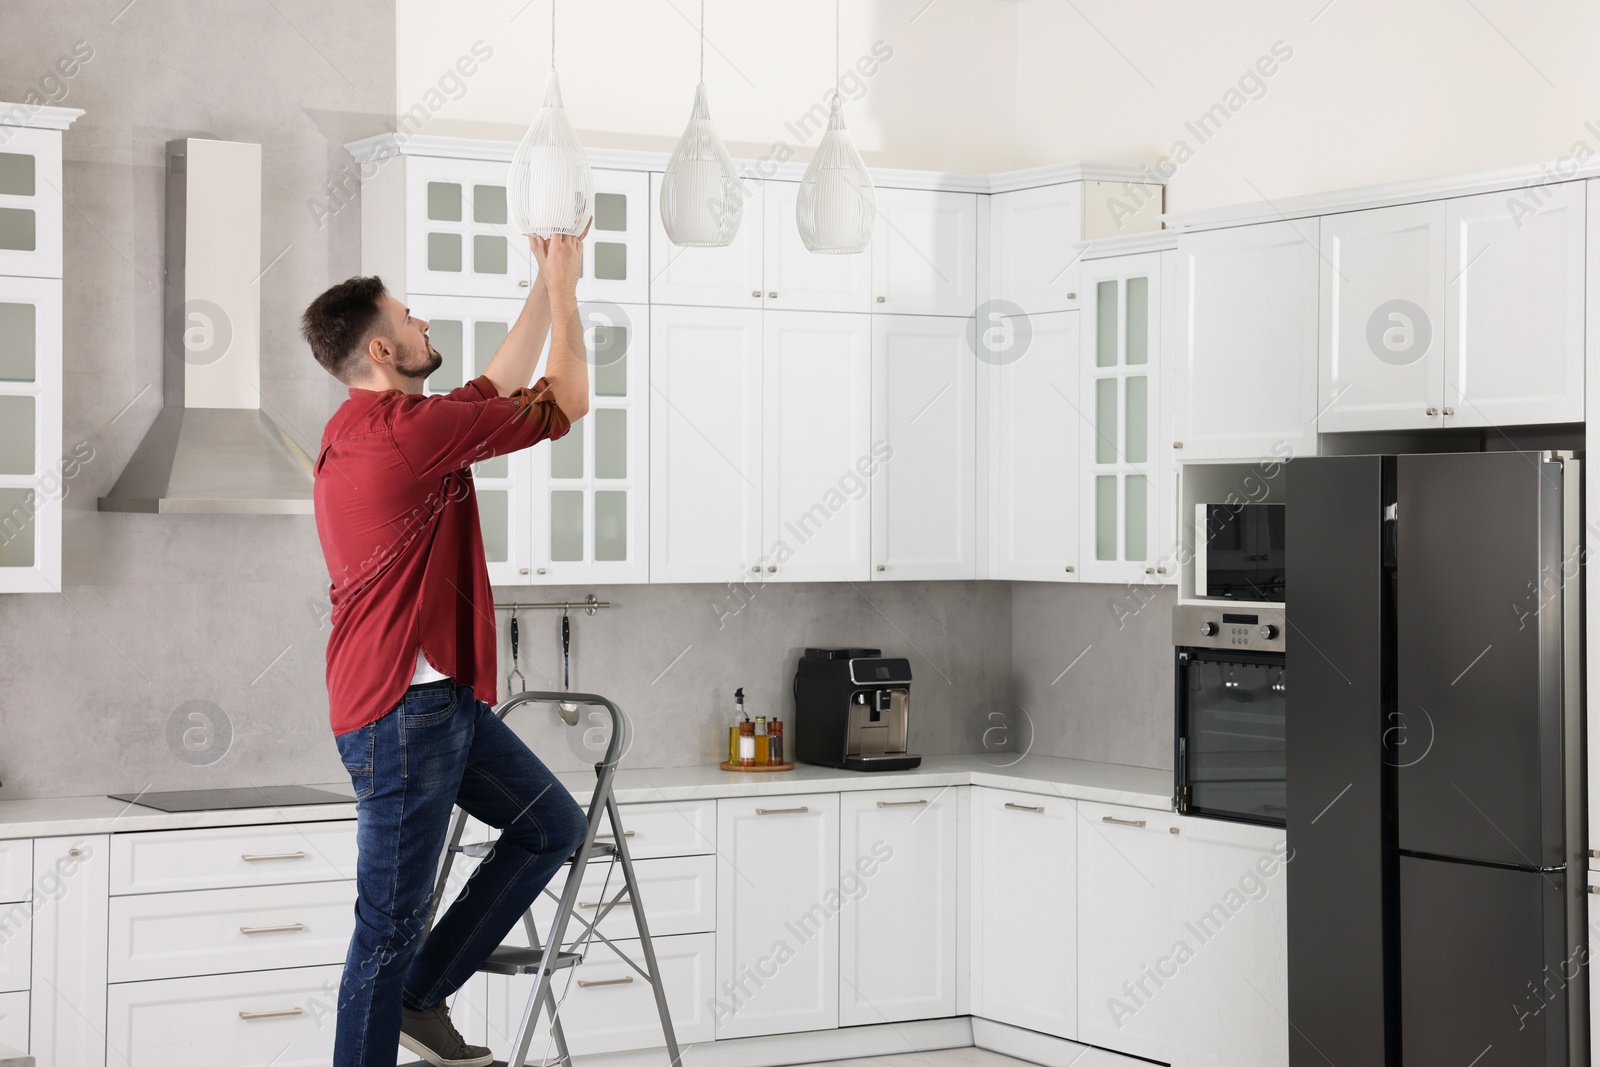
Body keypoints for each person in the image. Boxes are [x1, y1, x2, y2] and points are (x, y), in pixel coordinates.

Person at [301, 229, 592, 1067]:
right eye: (409, 315)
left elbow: (491, 386)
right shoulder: (403, 435)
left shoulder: (383, 424)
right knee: (387, 925)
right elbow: (563, 400)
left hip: (432, 699)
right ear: (385, 346)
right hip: (404, 711)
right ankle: (401, 1005)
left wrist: (543, 281)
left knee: (548, 824)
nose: (425, 320)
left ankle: (422, 998)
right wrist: (571, 297)